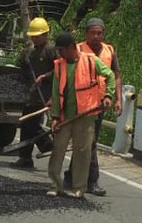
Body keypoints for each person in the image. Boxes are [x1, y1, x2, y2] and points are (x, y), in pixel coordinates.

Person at [47, 32, 115, 199]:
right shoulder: (60, 66)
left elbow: (111, 75)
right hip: (64, 117)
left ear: (71, 47)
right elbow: (56, 93)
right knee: (57, 150)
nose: (59, 54)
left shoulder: (91, 61)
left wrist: (108, 95)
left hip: (85, 116)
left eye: (61, 50)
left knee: (82, 152)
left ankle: (79, 188)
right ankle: (55, 185)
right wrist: (54, 116)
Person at [69, 17, 121, 196]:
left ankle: (74, 176)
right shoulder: (78, 49)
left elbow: (116, 75)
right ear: (86, 33)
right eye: (93, 33)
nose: (97, 36)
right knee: (86, 142)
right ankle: (91, 180)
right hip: (80, 104)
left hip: (99, 105)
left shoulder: (110, 51)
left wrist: (118, 99)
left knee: (88, 142)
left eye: (100, 33)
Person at [12, 17, 57, 168]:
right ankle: (25, 157)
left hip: (44, 95)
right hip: (31, 94)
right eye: (33, 36)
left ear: (45, 35)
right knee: (26, 124)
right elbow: (23, 70)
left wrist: (45, 77)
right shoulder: (31, 52)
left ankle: (45, 145)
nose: (34, 39)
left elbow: (60, 71)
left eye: (37, 36)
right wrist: (22, 59)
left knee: (31, 125)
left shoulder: (51, 51)